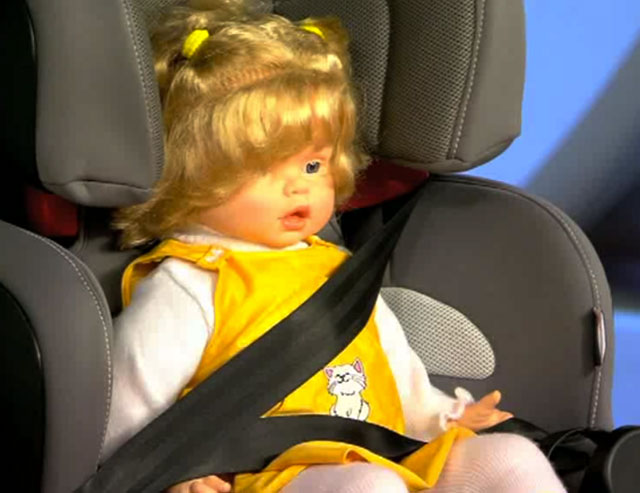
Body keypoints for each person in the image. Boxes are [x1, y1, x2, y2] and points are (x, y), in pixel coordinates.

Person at [103, 2, 567, 492]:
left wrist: (445, 415)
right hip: (265, 476)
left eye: (312, 165)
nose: (299, 187)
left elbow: (398, 373)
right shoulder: (192, 283)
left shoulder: (336, 269)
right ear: (189, 173)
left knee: (510, 456)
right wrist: (168, 479)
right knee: (369, 487)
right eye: (262, 168)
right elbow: (127, 414)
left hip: (376, 456)